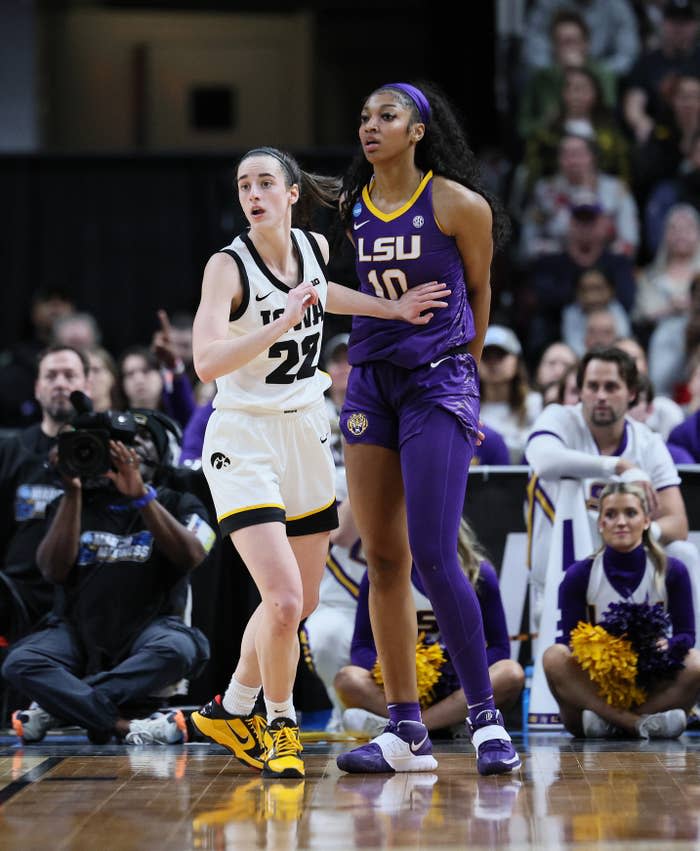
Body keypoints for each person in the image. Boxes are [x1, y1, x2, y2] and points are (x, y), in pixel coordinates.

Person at [188, 145, 450, 780]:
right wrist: (277, 323)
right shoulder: (227, 267)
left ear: (292, 193)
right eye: (244, 184)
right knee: (279, 601)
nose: (253, 194)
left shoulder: (311, 246)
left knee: (299, 604)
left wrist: (391, 308)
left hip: (306, 430)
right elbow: (206, 361)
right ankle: (279, 726)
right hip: (243, 436)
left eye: (265, 182)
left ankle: (232, 705)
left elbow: (322, 293)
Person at [334, 81, 521, 776]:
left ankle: (486, 721)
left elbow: (480, 290)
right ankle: (405, 730)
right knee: (383, 557)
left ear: (418, 130)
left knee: (436, 551)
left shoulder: (456, 204)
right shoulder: (356, 209)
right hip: (371, 384)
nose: (370, 125)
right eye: (364, 115)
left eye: (386, 115)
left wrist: (467, 375)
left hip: (438, 380)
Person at [3, 409, 213, 744]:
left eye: (141, 441)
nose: (129, 452)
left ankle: (56, 710)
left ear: (162, 455)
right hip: (76, 631)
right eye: (120, 444)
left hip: (151, 629)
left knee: (179, 650)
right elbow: (52, 570)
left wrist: (143, 497)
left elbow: (193, 555)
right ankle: (122, 725)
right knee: (20, 662)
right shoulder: (73, 502)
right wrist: (72, 492)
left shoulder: (180, 502)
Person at [525, 346, 693, 629]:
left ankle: (691, 653)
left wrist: (632, 536)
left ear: (631, 393)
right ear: (581, 390)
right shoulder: (559, 418)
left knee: (686, 554)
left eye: (611, 386)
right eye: (592, 386)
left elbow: (678, 522)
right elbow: (543, 461)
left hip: (624, 567)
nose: (600, 395)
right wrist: (618, 467)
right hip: (558, 575)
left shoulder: (648, 443)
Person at [335, 518, 524, 738]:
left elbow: (500, 648)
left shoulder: (479, 573)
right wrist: (389, 671)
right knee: (347, 678)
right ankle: (447, 723)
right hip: (404, 683)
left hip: (460, 686)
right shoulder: (383, 574)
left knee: (511, 673)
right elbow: (361, 645)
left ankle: (410, 727)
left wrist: (453, 674)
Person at [543, 482, 700, 739]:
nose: (621, 522)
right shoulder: (579, 575)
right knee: (553, 656)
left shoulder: (672, 570)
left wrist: (667, 646)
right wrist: (604, 653)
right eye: (611, 514)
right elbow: (568, 641)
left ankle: (613, 724)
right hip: (597, 686)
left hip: (651, 679)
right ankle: (641, 724)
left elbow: (687, 635)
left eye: (630, 513)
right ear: (600, 524)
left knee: (696, 662)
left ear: (647, 520)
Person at [0, 345, 91, 641]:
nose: (61, 383)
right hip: (15, 593)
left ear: (86, 386)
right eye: (51, 376)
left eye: (69, 375)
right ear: (38, 388)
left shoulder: (104, 455)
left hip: (81, 598)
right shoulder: (11, 450)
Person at [478, 325, 543, 464]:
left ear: (517, 360)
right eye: (486, 356)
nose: (492, 363)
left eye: (500, 355)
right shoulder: (467, 407)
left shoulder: (535, 404)